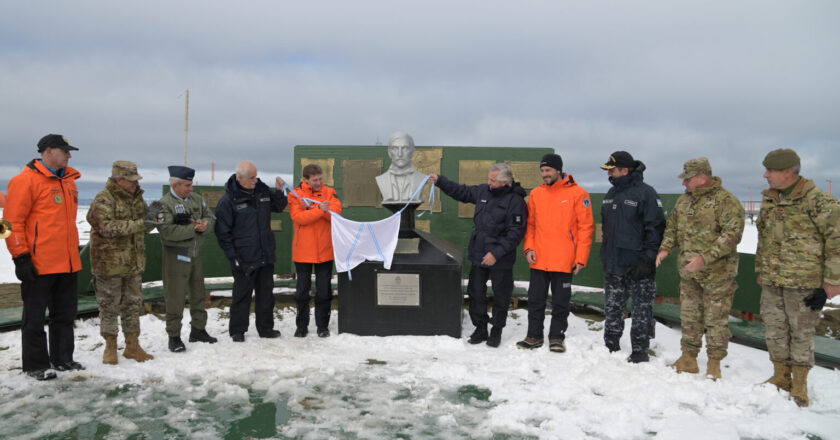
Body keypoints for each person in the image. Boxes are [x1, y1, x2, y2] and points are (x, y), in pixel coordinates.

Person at [755, 148, 840, 407]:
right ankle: (781, 375)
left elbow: (836, 242)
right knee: (775, 330)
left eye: (771, 170)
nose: (766, 175)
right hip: (773, 280)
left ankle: (800, 383)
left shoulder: (819, 202)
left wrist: (832, 283)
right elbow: (763, 237)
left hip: (804, 283)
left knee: (801, 333)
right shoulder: (771, 201)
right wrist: (761, 269)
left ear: (788, 172)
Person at [656, 158, 744, 378]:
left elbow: (732, 236)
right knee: (689, 317)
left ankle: (714, 364)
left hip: (717, 275)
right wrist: (665, 248)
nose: (684, 183)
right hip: (689, 274)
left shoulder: (726, 201)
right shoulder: (684, 202)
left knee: (716, 320)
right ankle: (688, 358)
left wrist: (705, 259)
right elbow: (673, 228)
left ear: (702, 177)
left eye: (687, 179)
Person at [4, 134, 84, 380]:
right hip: (38, 265)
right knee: (35, 319)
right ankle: (37, 364)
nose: (69, 156)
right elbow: (7, 223)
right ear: (48, 151)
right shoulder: (24, 181)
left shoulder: (69, 182)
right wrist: (20, 257)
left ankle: (63, 359)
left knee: (65, 315)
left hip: (68, 264)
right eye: (65, 151)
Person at [429, 163, 528, 347]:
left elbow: (516, 233)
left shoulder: (516, 201)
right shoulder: (483, 191)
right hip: (479, 254)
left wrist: (496, 254)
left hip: (501, 259)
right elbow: (462, 192)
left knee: (501, 296)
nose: (488, 182)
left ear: (505, 181)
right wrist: (440, 181)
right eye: (488, 178)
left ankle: (496, 330)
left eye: (493, 180)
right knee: (476, 293)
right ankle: (481, 328)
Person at [517, 153, 594, 352]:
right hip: (539, 258)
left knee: (560, 302)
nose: (544, 174)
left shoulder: (579, 194)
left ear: (558, 170)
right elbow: (530, 225)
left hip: (564, 260)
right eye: (542, 171)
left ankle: (556, 337)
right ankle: (534, 336)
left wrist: (581, 259)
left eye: (548, 170)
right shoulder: (536, 194)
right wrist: (529, 248)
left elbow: (586, 228)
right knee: (535, 300)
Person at [87, 161, 157, 364]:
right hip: (109, 264)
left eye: (137, 180)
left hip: (133, 263)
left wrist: (153, 220)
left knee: (133, 305)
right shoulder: (104, 199)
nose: (136, 184)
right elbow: (106, 227)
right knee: (109, 306)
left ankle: (133, 346)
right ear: (119, 179)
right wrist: (141, 224)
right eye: (132, 180)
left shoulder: (137, 199)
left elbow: (144, 227)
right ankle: (110, 347)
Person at [600, 151, 665, 363]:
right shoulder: (611, 193)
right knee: (613, 306)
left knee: (641, 309)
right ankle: (611, 343)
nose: (609, 173)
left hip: (639, 266)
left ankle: (640, 349)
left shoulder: (646, 193)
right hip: (614, 263)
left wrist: (647, 260)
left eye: (612, 169)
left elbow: (655, 229)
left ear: (624, 170)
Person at [215, 161, 288, 342]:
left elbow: (278, 207)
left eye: (256, 176)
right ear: (240, 178)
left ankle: (265, 328)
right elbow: (223, 233)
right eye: (251, 178)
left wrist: (279, 191)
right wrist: (233, 257)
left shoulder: (262, 191)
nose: (256, 180)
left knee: (266, 295)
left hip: (265, 253)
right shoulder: (228, 200)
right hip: (244, 257)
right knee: (241, 295)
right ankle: (237, 330)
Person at [157, 165, 218, 352]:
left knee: (199, 294)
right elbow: (166, 231)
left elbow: (211, 218)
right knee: (175, 298)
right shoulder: (162, 204)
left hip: (195, 254)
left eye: (191, 185)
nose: (191, 189)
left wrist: (204, 225)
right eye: (187, 185)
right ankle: (174, 336)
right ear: (175, 185)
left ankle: (198, 330)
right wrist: (193, 229)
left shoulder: (196, 199)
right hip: (176, 256)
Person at [289, 164, 342, 337]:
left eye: (320, 179)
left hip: (325, 251)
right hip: (303, 252)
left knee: (324, 292)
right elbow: (299, 218)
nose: (319, 182)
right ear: (306, 180)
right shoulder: (295, 194)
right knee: (302, 292)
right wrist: (320, 209)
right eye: (315, 180)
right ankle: (301, 326)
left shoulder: (330, 192)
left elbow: (336, 213)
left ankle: (322, 327)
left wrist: (316, 209)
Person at [375, 132, 427, 203]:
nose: (400, 154)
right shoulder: (381, 179)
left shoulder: (422, 178)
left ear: (412, 152)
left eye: (405, 148)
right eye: (395, 148)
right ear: (390, 153)